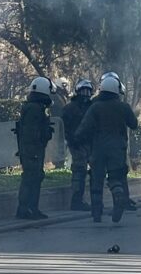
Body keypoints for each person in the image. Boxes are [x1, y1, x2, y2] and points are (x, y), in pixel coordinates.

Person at [75, 75, 138, 223]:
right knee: (115, 177)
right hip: (118, 149)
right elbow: (134, 124)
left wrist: (76, 139)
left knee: (96, 179)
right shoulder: (123, 107)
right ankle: (118, 195)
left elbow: (85, 127)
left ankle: (97, 213)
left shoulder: (95, 107)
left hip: (98, 149)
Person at [15, 77, 55, 220]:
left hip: (32, 149)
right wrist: (45, 134)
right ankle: (26, 209)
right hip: (32, 149)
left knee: (35, 177)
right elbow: (33, 132)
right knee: (31, 177)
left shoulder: (34, 107)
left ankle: (31, 208)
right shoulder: (35, 109)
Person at [62, 79, 94, 211]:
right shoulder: (70, 108)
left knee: (95, 171)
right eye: (83, 91)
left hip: (90, 143)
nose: (85, 94)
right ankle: (76, 200)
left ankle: (93, 199)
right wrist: (71, 140)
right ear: (78, 92)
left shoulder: (93, 107)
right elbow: (65, 126)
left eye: (88, 91)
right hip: (76, 143)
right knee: (79, 171)